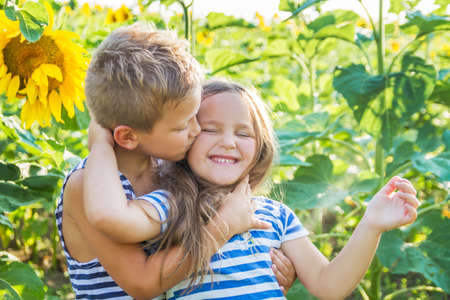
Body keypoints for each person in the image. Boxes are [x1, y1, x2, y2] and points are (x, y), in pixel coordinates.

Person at [86, 79, 420, 299]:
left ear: (260, 148)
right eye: (210, 130)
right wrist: (100, 145)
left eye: (244, 134)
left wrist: (371, 223)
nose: (228, 142)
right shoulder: (170, 205)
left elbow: (330, 285)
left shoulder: (276, 215)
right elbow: (111, 216)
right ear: (186, 137)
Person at [57, 24, 295, 300]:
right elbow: (143, 283)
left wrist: (265, 270)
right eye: (183, 125)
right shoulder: (88, 185)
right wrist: (223, 227)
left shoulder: (169, 166)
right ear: (129, 136)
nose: (196, 130)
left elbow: (200, 243)